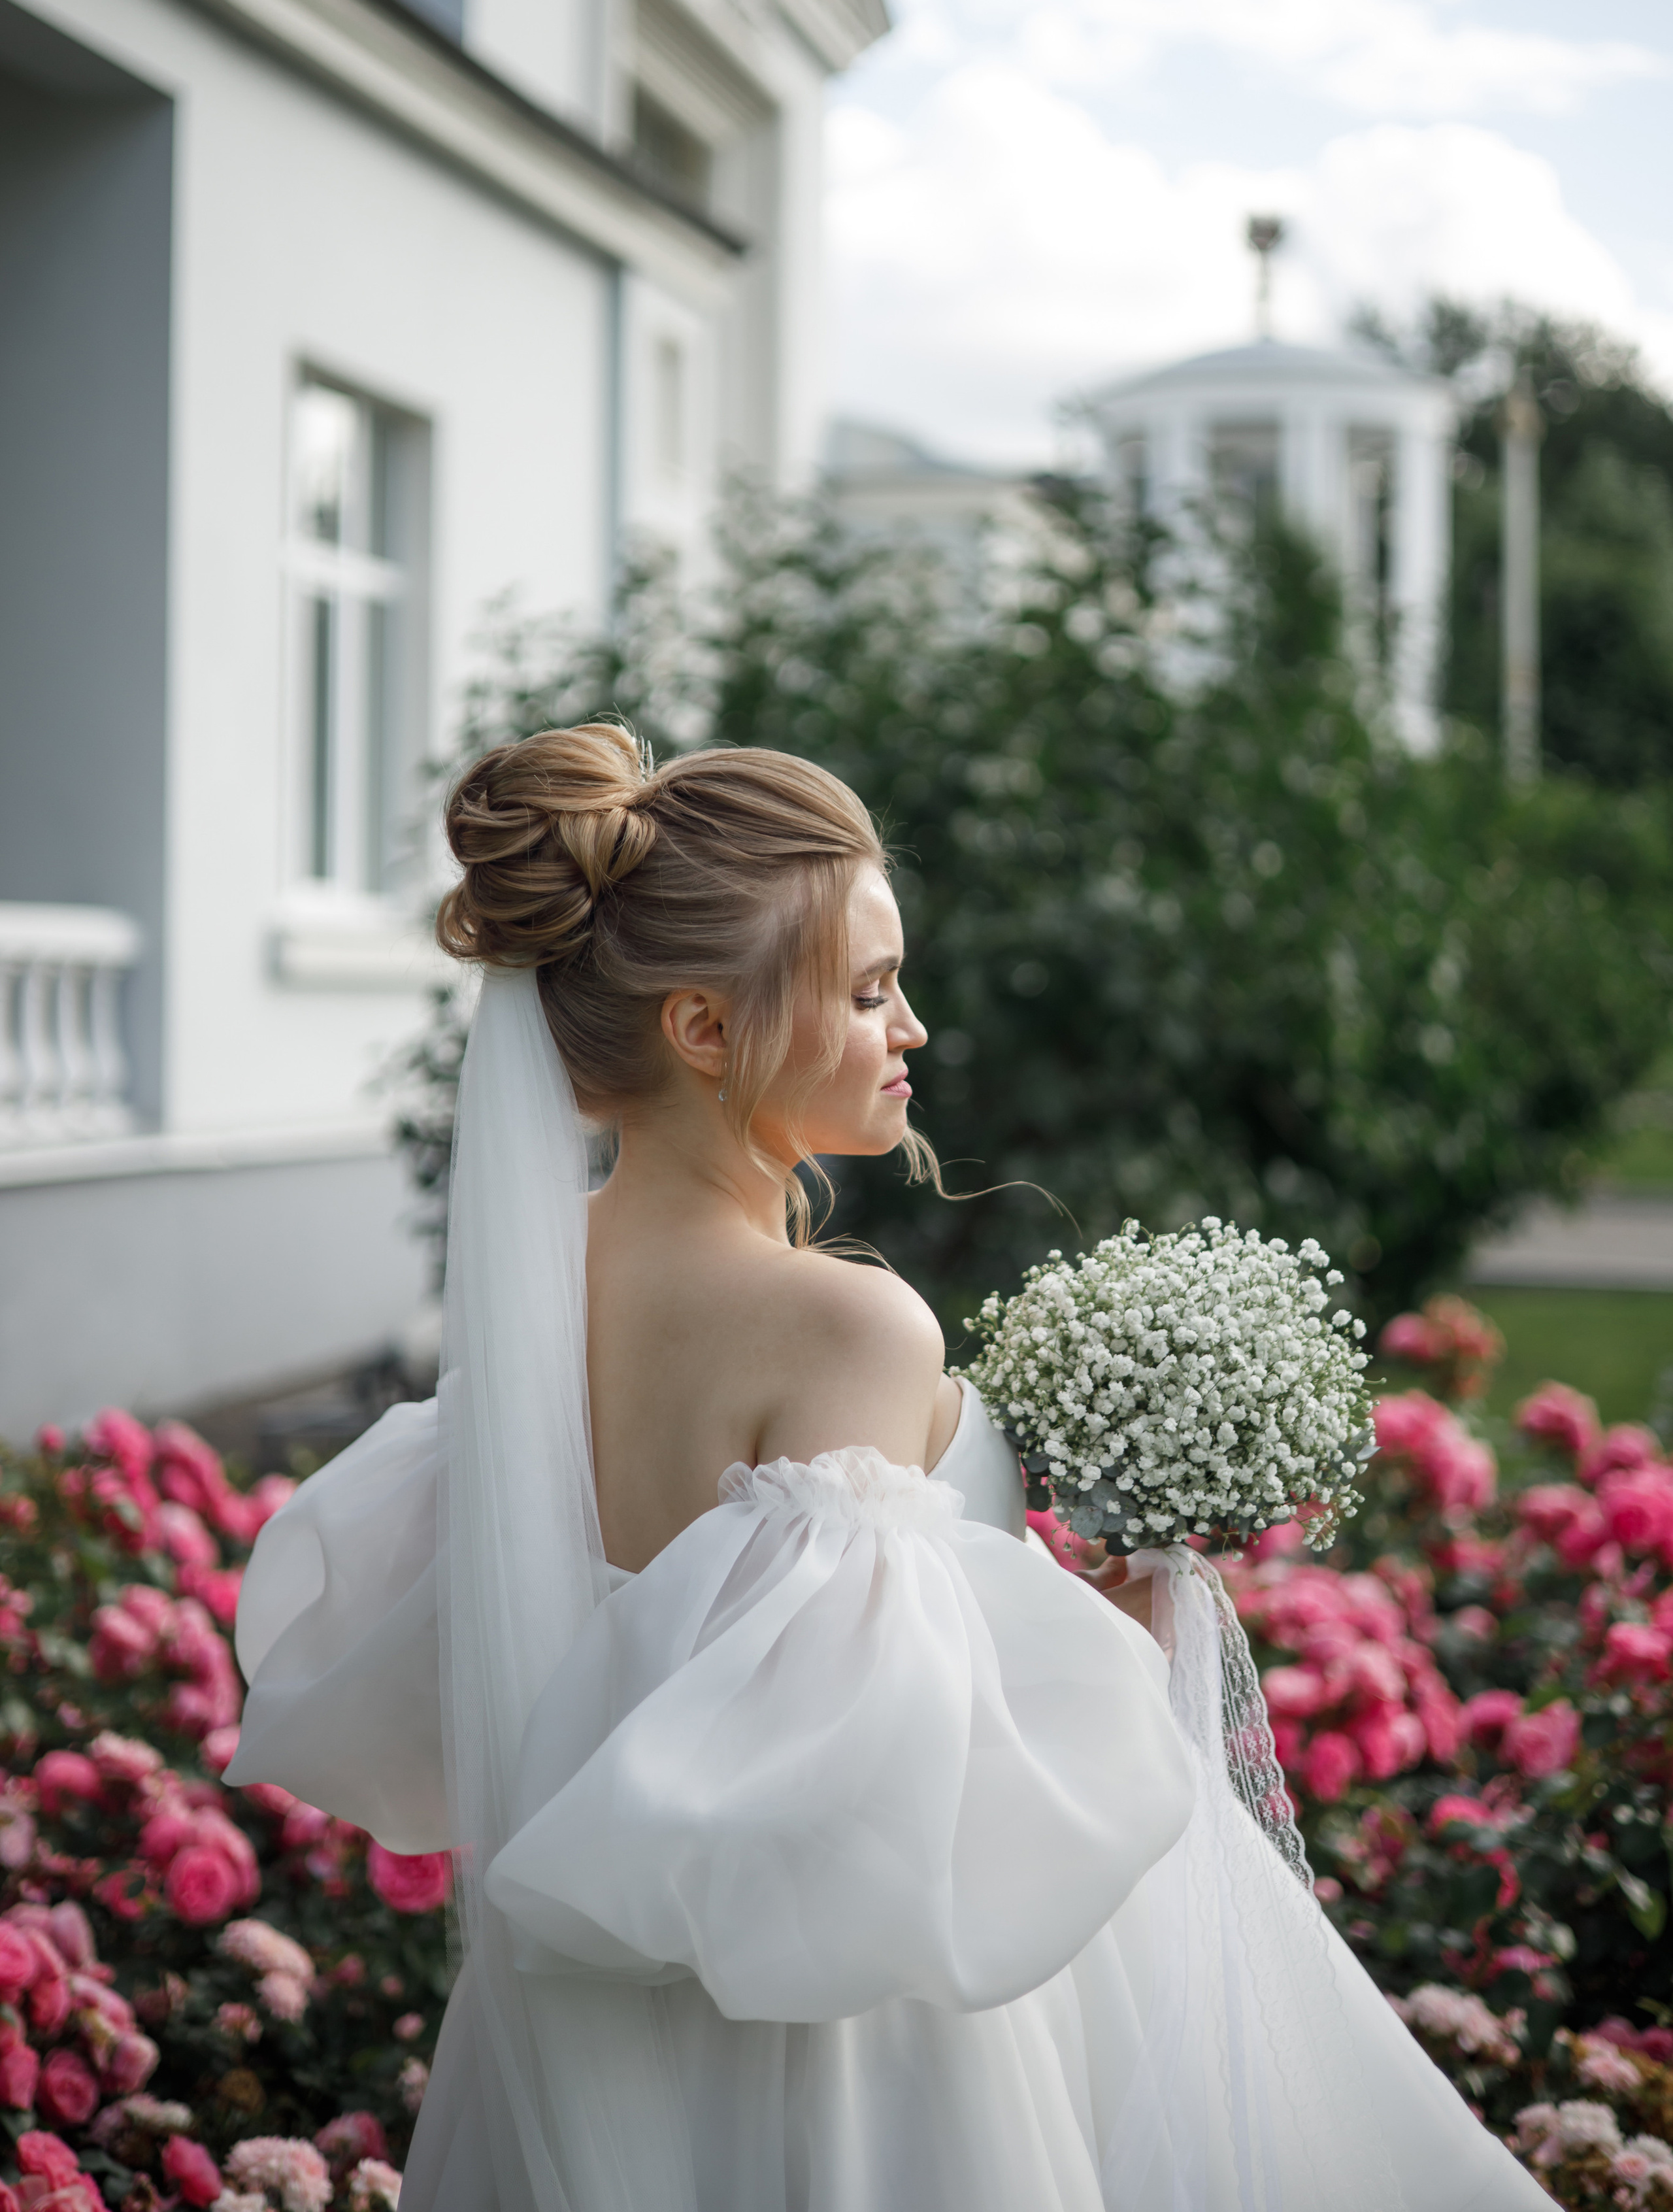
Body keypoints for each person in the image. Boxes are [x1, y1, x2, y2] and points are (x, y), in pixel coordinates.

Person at [227, 725, 1546, 2212]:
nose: (909, 1026)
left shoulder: (534, 1291)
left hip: (573, 2034)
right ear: (703, 1033)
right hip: (848, 2061)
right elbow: (882, 1767)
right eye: (864, 992)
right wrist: (1121, 1624)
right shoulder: (846, 1325)